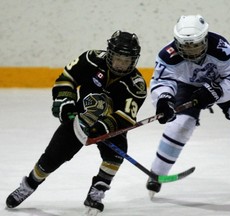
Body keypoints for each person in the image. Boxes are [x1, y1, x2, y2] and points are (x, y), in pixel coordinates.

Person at [6, 30, 147, 215]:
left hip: (109, 127)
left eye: (126, 60)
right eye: (118, 58)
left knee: (115, 156)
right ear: (110, 53)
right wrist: (65, 102)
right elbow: (67, 79)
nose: (121, 64)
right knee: (51, 159)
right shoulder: (91, 59)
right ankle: (30, 184)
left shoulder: (136, 85)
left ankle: (97, 191)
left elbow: (126, 117)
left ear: (134, 60)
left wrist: (103, 127)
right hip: (78, 120)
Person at [146, 15, 230, 197]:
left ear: (205, 39)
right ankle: (156, 173)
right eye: (185, 45)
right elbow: (162, 81)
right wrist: (164, 99)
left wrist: (217, 92)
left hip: (220, 83)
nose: (191, 51)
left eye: (195, 44)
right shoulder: (168, 54)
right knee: (180, 125)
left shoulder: (221, 47)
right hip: (186, 86)